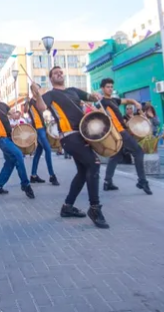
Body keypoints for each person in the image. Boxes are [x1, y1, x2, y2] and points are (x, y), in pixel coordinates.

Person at [33, 66, 108, 228]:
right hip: (69, 136)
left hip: (83, 133)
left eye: (60, 71)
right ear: (51, 78)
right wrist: (37, 94)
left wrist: (95, 96)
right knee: (93, 164)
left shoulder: (74, 90)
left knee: (82, 172)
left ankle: (67, 206)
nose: (59, 73)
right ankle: (95, 208)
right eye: (55, 73)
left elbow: (90, 97)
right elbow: (41, 107)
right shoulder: (50, 94)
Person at [99, 79, 152, 195]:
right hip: (119, 132)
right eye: (108, 87)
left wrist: (134, 102)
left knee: (116, 156)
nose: (110, 88)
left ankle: (107, 182)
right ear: (102, 88)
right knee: (138, 152)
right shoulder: (102, 103)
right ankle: (142, 181)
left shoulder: (113, 100)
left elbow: (126, 100)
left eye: (111, 86)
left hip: (122, 131)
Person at [25, 97, 58, 186]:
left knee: (38, 153)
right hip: (39, 129)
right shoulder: (31, 101)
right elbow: (25, 110)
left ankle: (33, 175)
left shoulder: (38, 101)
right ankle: (52, 175)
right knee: (47, 150)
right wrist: (26, 102)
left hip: (41, 128)